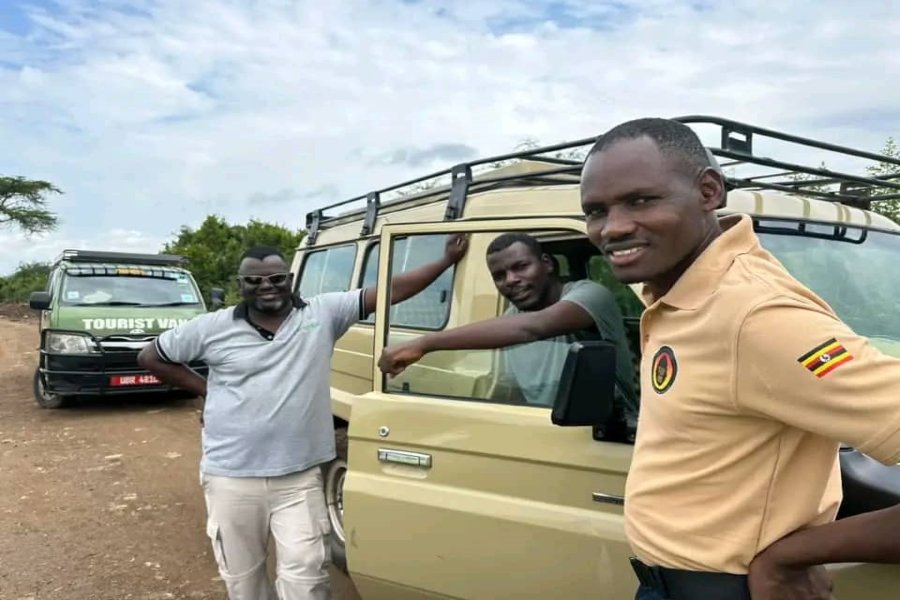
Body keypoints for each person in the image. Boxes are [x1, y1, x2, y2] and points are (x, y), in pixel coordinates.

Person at [578, 117, 900, 600]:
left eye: (641, 200)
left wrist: (794, 554)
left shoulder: (753, 315)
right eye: (596, 211)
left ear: (709, 191)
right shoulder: (681, 292)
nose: (614, 227)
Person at [137, 235, 468, 600]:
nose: (267, 286)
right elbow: (151, 357)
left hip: (299, 477)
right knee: (244, 581)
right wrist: (207, 390)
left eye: (276, 278)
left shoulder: (323, 313)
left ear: (290, 279)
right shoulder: (211, 327)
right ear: (240, 285)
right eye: (255, 280)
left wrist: (443, 261)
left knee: (307, 576)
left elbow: (389, 291)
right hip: (231, 477)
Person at [378, 231, 638, 437]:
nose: (511, 280)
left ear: (546, 263)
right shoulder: (507, 326)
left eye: (521, 267)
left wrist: (426, 343)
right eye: (500, 276)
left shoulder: (589, 294)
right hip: (548, 432)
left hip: (611, 433)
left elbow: (534, 326)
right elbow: (511, 390)